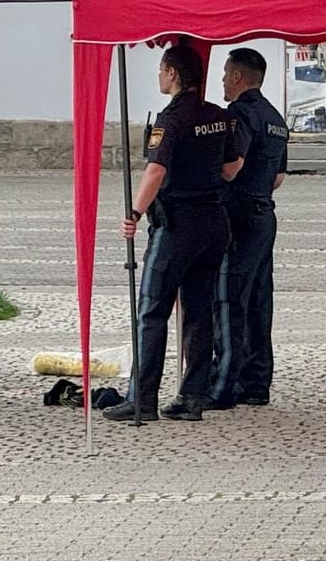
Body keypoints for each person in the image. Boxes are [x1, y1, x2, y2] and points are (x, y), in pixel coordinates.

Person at [104, 44, 246, 423]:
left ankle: (142, 399)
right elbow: (233, 166)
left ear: (172, 73)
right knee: (199, 311)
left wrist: (134, 212)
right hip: (214, 223)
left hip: (177, 226)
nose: (159, 77)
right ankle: (192, 397)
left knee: (151, 309)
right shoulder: (217, 115)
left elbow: (155, 171)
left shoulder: (171, 119)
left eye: (161, 71)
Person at [208, 47, 288, 410]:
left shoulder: (238, 114)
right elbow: (278, 178)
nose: (223, 81)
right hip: (264, 215)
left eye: (226, 74)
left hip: (237, 216)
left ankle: (222, 385)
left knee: (227, 298)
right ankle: (257, 382)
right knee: (259, 301)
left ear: (238, 77)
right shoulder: (275, 117)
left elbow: (231, 166)